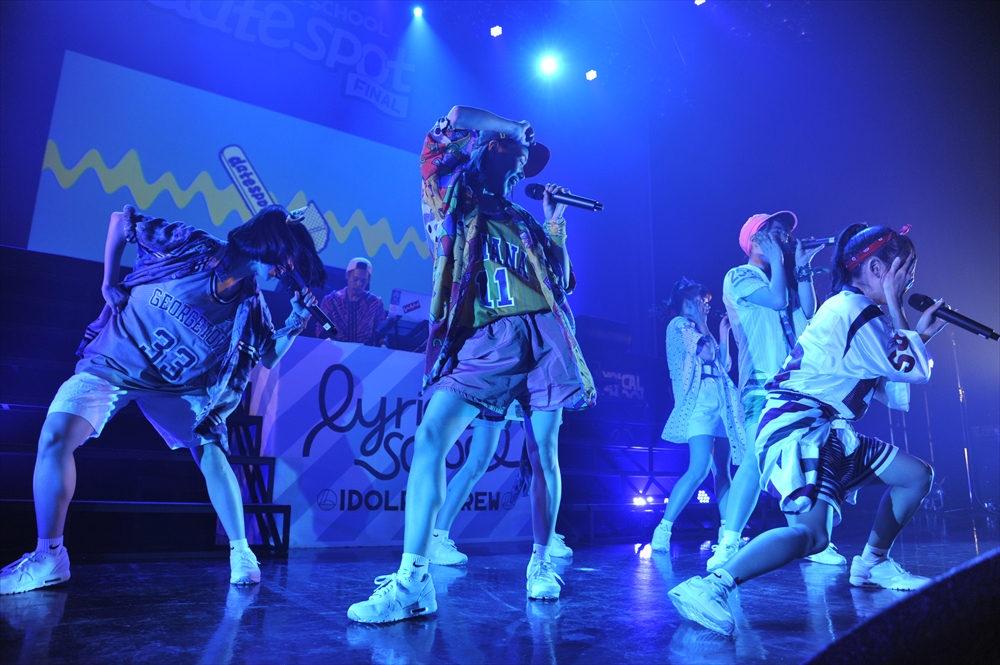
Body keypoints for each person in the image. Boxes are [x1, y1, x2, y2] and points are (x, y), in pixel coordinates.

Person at [347, 105, 596, 624]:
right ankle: (414, 579)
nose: (526, 162)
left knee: (544, 453)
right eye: (521, 151)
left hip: (545, 337)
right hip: (488, 338)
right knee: (431, 435)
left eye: (528, 157)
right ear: (493, 147)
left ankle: (541, 563)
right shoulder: (456, 199)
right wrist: (511, 126)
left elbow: (564, 281)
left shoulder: (523, 219)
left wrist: (555, 221)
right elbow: (446, 128)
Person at [0, 204, 325, 595]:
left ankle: (242, 552)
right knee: (55, 436)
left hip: (177, 388)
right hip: (117, 361)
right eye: (286, 259)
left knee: (211, 448)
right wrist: (108, 282)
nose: (285, 270)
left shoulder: (251, 304)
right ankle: (49, 556)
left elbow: (269, 356)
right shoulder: (192, 246)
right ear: (267, 244)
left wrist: (296, 322)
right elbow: (119, 222)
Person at [669, 223, 947, 636]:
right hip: (798, 426)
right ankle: (712, 585)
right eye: (904, 270)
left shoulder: (857, 311)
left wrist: (914, 335)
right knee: (811, 536)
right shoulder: (852, 309)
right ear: (876, 269)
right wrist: (899, 312)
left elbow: (892, 380)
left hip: (826, 427)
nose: (909, 281)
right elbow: (911, 369)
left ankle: (872, 563)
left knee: (915, 476)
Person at [708, 211, 845, 571]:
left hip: (795, 386)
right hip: (760, 384)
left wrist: (803, 268)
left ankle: (809, 539)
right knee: (756, 460)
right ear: (754, 240)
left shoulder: (782, 279)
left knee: (798, 461)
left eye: (785, 234)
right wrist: (785, 269)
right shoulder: (739, 276)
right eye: (775, 233)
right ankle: (728, 542)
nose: (783, 239)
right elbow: (777, 300)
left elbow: (809, 316)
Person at [651, 279, 745, 553]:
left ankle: (727, 534)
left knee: (723, 471)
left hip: (720, 403)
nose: (706, 306)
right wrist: (705, 325)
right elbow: (706, 353)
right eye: (702, 301)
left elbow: (723, 364)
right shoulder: (679, 325)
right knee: (700, 468)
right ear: (689, 302)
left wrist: (723, 333)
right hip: (699, 404)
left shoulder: (698, 329)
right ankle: (663, 529)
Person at [426, 413, 573, 566]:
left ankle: (548, 538)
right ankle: (437, 540)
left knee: (545, 461)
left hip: (537, 398)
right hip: (498, 397)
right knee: (478, 461)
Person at [315, 257, 387, 345]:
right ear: (347, 276)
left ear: (368, 281)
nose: (359, 284)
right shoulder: (330, 301)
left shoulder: (375, 303)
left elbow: (380, 332)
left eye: (363, 281)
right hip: (336, 350)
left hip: (364, 351)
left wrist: (383, 345)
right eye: (355, 279)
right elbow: (321, 330)